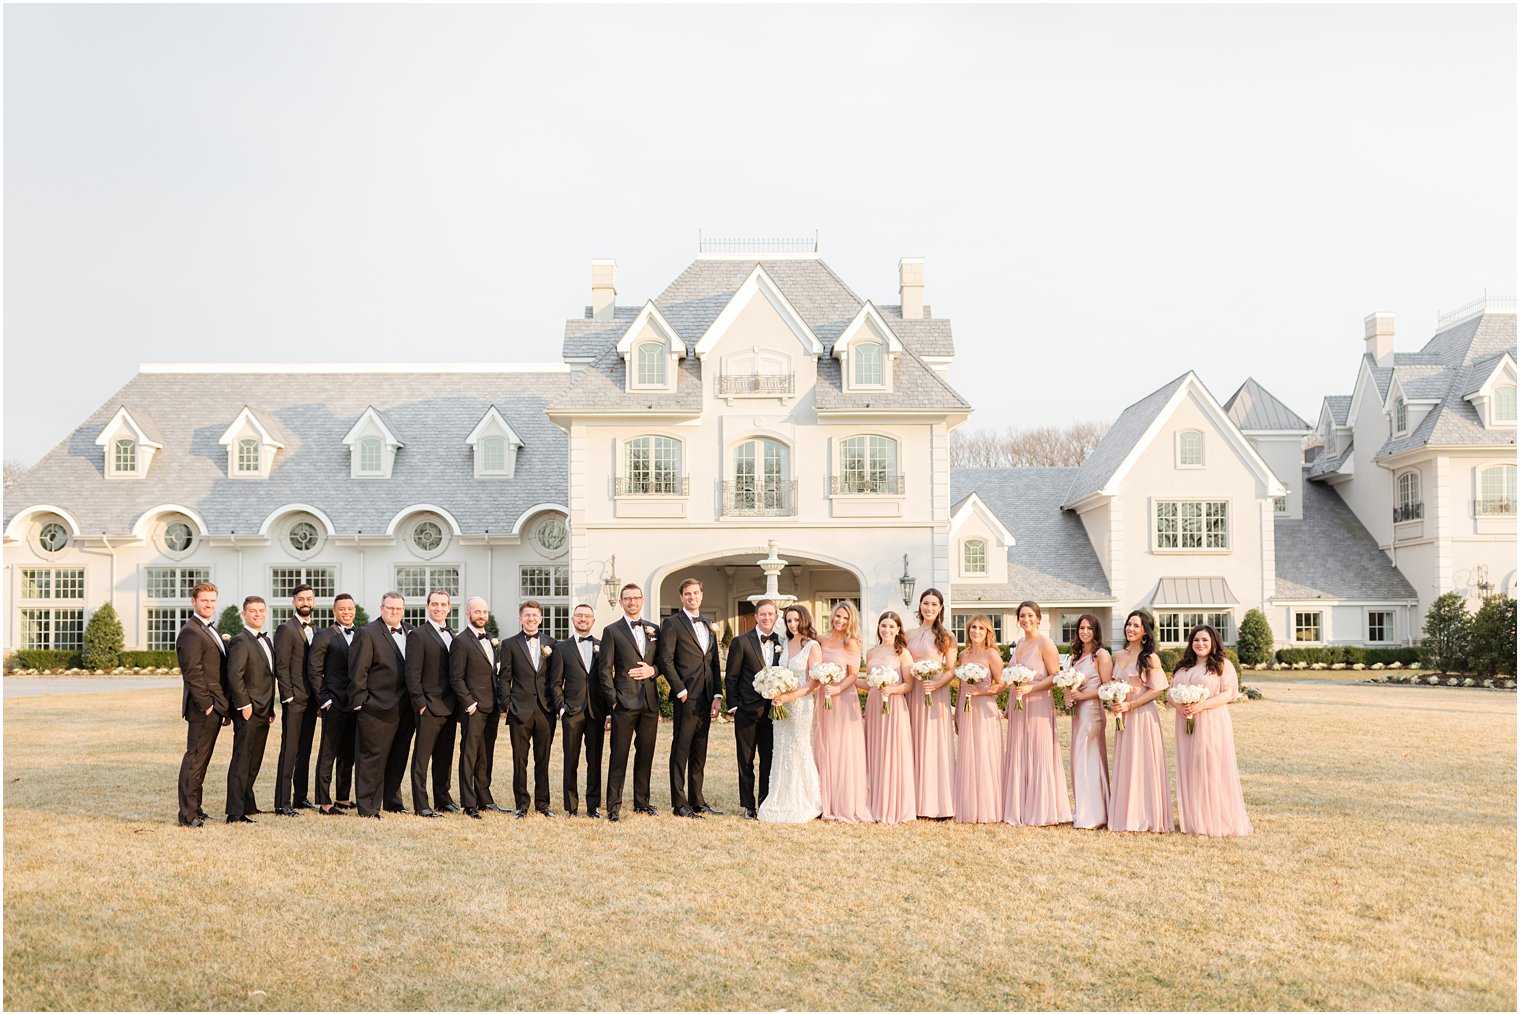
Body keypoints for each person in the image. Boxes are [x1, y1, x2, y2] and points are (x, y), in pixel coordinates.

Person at [1171, 624, 1252, 837]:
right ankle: (1194, 819)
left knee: (1210, 767)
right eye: (1196, 640)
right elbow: (1171, 692)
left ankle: (1215, 818)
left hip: (1211, 721)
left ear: (1214, 642)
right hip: (1185, 721)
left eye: (1205, 640)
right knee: (1190, 767)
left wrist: (1201, 705)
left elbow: (1229, 694)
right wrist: (1180, 705)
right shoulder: (1183, 667)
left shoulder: (1222, 665)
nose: (1200, 644)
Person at [1002, 600, 1072, 827]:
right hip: (1018, 702)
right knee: (1019, 749)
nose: (1026, 620)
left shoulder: (1046, 643)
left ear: (1038, 618)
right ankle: (1020, 806)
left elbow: (1055, 676)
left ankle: (1042, 809)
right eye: (1022, 616)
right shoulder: (1020, 642)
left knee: (1037, 749)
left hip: (1039, 703)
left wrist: (1032, 687)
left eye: (1030, 615)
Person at [660, 578, 723, 818]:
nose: (692, 597)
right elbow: (666, 660)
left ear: (701, 595)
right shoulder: (672, 623)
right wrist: (680, 690)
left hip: (707, 696)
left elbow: (714, 661)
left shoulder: (709, 624)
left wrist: (717, 695)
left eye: (695, 593)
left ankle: (698, 800)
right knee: (681, 749)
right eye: (687, 594)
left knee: (700, 749)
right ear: (682, 597)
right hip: (686, 697)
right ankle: (680, 804)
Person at [1105, 610, 1173, 834]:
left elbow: (1156, 690)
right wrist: (1115, 701)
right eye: (1128, 624)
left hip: (1143, 716)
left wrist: (1131, 705)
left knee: (1143, 762)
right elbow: (1112, 685)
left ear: (1145, 631)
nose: (1130, 629)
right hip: (1122, 715)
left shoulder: (1150, 657)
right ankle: (1126, 814)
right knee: (1126, 762)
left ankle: (1146, 815)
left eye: (1136, 625)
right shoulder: (1118, 656)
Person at [599, 583, 662, 822]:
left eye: (636, 598)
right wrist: (613, 701)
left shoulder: (654, 629)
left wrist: (653, 670)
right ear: (622, 602)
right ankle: (613, 806)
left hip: (649, 702)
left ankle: (642, 802)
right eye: (627, 599)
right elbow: (604, 670)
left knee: (645, 753)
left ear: (642, 600)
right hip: (623, 703)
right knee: (619, 755)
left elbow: (663, 662)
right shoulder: (612, 631)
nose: (632, 602)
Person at [758, 605, 824, 823]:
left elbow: (814, 682)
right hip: (782, 705)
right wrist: (775, 691)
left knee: (799, 747)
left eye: (796, 620)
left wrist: (791, 696)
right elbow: (779, 672)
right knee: (782, 749)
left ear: (804, 620)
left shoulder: (812, 646)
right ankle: (780, 796)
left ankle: (807, 798)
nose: (793, 624)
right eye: (789, 621)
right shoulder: (785, 643)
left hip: (801, 705)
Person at [348, 592, 410, 820]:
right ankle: (368, 806)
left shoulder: (410, 631)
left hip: (404, 709)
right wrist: (363, 703)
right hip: (375, 708)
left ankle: (393, 802)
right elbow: (357, 673)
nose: (394, 612)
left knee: (398, 757)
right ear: (381, 607)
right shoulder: (367, 633)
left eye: (398, 609)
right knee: (372, 758)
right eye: (390, 608)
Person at [724, 599, 784, 819]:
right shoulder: (741, 642)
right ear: (756, 616)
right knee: (746, 760)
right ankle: (748, 805)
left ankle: (765, 803)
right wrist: (734, 706)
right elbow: (731, 677)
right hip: (747, 711)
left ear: (776, 616)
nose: (767, 618)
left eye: (771, 614)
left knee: (768, 759)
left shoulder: (782, 642)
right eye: (763, 614)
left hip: (774, 713)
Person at [175, 581, 227, 827]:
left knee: (202, 761)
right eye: (205, 600)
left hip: (215, 706)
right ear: (193, 602)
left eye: (213, 601)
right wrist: (207, 704)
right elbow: (192, 673)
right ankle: (187, 816)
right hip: (202, 708)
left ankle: (196, 808)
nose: (209, 605)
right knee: (194, 759)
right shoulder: (191, 631)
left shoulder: (207, 628)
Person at [499, 599, 557, 818]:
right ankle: (521, 804)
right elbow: (504, 677)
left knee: (543, 759)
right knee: (519, 760)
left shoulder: (552, 643)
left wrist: (554, 704)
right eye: (527, 615)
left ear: (540, 618)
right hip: (519, 710)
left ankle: (543, 804)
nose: (531, 619)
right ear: (520, 618)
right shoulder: (510, 644)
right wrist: (507, 704)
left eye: (534, 615)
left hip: (545, 710)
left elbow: (555, 677)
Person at [548, 603, 607, 817]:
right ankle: (571, 807)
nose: (583, 619)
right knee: (570, 760)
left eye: (587, 616)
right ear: (573, 620)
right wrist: (561, 708)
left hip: (596, 712)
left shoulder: (602, 646)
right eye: (579, 615)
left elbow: (607, 679)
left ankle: (593, 807)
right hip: (572, 712)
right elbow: (555, 682)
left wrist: (608, 710)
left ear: (593, 620)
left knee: (595, 761)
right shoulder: (561, 648)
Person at [404, 589, 458, 818]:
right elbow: (412, 673)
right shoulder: (418, 635)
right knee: (421, 758)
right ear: (428, 607)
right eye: (434, 604)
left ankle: (443, 799)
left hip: (450, 705)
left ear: (448, 608)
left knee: (444, 756)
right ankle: (421, 804)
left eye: (443, 604)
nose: (439, 608)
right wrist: (420, 703)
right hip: (428, 705)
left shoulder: (453, 634)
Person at [814, 602, 868, 823]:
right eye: (838, 616)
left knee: (841, 748)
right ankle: (823, 801)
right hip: (822, 698)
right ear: (832, 616)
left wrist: (836, 689)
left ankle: (843, 802)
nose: (840, 621)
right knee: (823, 746)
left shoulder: (852, 644)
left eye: (846, 618)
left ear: (851, 621)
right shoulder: (822, 640)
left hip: (843, 700)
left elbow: (853, 675)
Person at [224, 595, 276, 824]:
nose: (257, 614)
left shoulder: (266, 640)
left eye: (261, 610)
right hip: (248, 709)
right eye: (252, 611)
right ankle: (235, 813)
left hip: (264, 709)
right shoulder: (240, 640)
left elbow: (268, 676)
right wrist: (244, 705)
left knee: (254, 760)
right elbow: (234, 676)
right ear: (244, 614)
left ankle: (248, 804)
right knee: (242, 760)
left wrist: (271, 707)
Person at [905, 588, 956, 819]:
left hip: (935, 692)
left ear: (941, 608)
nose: (929, 608)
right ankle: (913, 801)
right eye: (926, 603)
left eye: (934, 604)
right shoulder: (907, 634)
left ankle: (938, 804)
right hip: (914, 690)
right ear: (920, 606)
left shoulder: (948, 637)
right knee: (913, 740)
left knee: (934, 742)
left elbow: (951, 670)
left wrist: (935, 685)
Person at [862, 611, 916, 824]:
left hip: (894, 706)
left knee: (892, 751)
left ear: (898, 630)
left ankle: (895, 804)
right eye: (883, 626)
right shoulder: (871, 652)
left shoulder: (903, 653)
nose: (887, 630)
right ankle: (876, 802)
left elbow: (909, 685)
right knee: (876, 751)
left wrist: (891, 690)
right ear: (878, 628)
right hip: (875, 705)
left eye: (891, 627)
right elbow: (868, 684)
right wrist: (839, 681)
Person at [449, 596, 499, 819]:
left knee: (486, 755)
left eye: (484, 612)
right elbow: (456, 677)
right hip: (474, 708)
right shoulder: (461, 641)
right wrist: (469, 703)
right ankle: (469, 803)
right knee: (469, 755)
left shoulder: (490, 639)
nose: (482, 616)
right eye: (477, 612)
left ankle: (484, 799)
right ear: (467, 614)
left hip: (492, 706)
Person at [272, 583, 319, 816]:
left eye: (309, 599)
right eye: (301, 599)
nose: (305, 603)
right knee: (289, 751)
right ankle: (282, 802)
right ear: (293, 602)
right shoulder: (286, 629)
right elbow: (281, 666)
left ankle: (301, 797)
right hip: (294, 700)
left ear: (314, 602)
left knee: (305, 750)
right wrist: (287, 696)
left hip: (312, 701)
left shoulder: (317, 629)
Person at [952, 615, 1004, 824]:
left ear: (988, 633)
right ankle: (968, 805)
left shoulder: (992, 654)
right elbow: (961, 687)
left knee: (984, 753)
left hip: (984, 709)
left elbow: (1001, 685)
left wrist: (980, 692)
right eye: (973, 627)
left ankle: (987, 807)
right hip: (966, 710)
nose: (976, 632)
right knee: (968, 753)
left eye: (981, 629)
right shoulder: (963, 655)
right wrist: (956, 711)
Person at [310, 593, 358, 814]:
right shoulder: (324, 635)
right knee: (328, 753)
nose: (346, 612)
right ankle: (324, 801)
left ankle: (343, 797)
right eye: (342, 609)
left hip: (354, 704)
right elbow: (314, 670)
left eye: (349, 608)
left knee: (349, 753)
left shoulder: (360, 634)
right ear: (334, 612)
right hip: (334, 703)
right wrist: (324, 700)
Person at [1067, 613, 1112, 830]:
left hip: (1093, 713)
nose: (1085, 631)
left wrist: (1082, 697)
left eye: (1089, 628)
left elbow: (1106, 687)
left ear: (1096, 631)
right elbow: (1070, 685)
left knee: (1090, 759)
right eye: (1081, 628)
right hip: (1078, 714)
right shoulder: (1074, 657)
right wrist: (1068, 695)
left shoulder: (1101, 655)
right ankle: (1084, 810)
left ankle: (1095, 815)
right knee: (1079, 760)